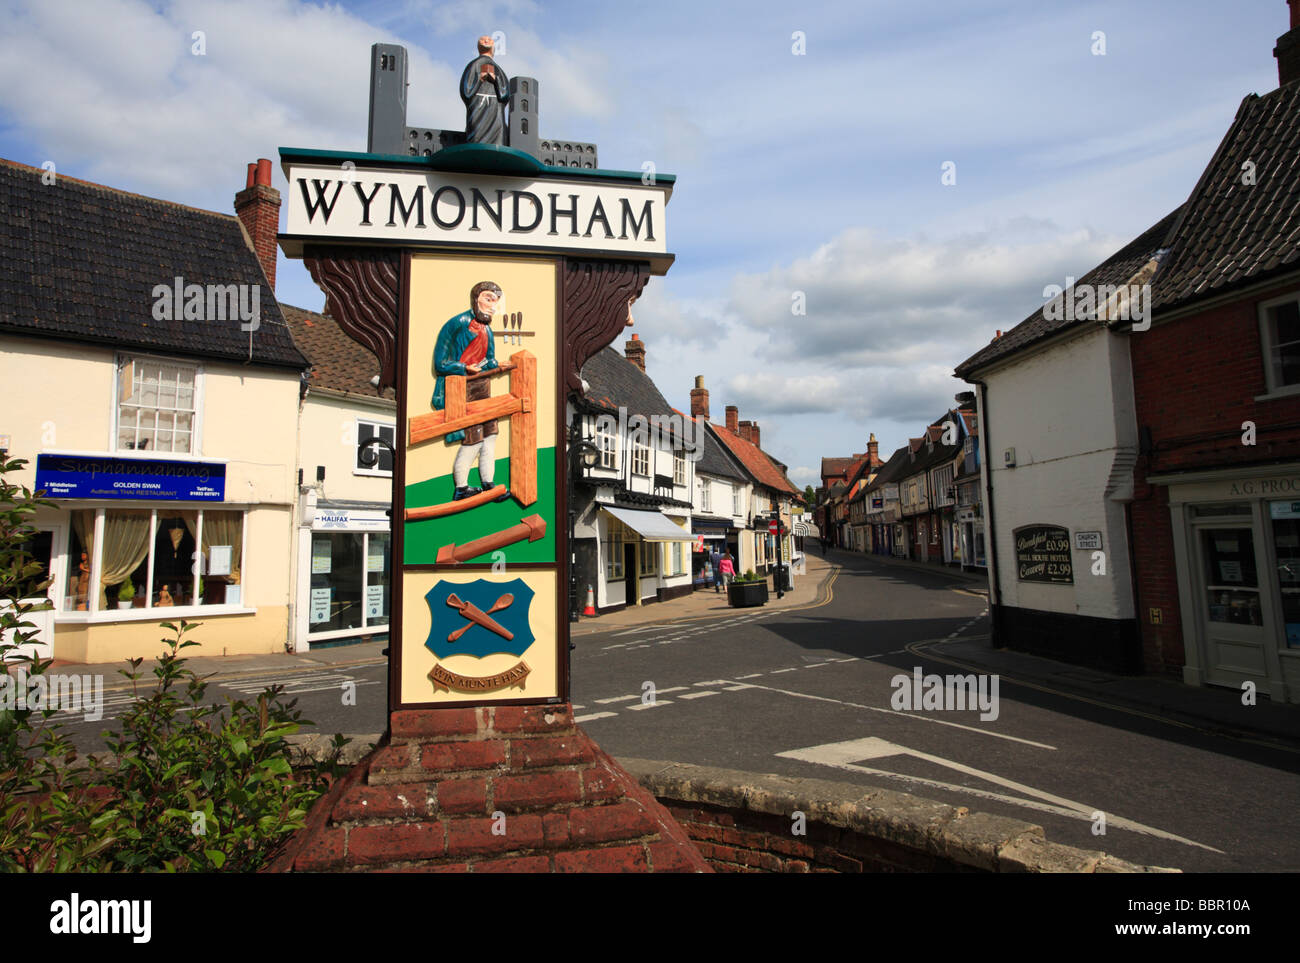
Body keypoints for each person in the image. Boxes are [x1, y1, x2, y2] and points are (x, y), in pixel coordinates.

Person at [432, 281, 510, 502]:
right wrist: (463, 367)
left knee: (490, 435)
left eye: (495, 301)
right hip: (460, 389)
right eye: (487, 299)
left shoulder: (487, 330)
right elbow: (441, 362)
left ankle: (488, 483)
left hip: (482, 388)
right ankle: (461, 487)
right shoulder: (457, 324)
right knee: (472, 438)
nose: (491, 306)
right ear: (476, 298)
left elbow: (489, 358)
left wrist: (495, 364)